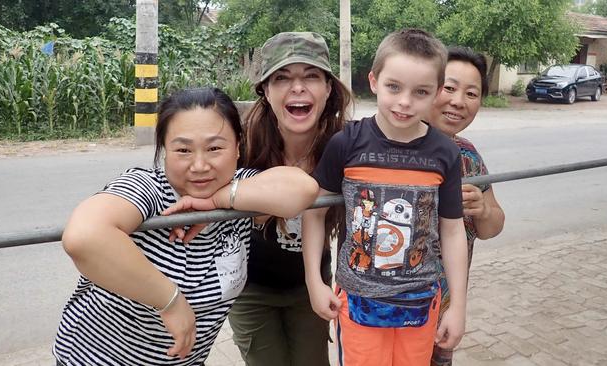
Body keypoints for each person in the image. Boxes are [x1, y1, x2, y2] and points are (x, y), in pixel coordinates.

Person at [52, 87, 319, 365]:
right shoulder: (149, 189)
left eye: (215, 148)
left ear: (238, 146)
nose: (200, 165)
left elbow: (303, 189)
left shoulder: (241, 189)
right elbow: (84, 236)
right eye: (183, 150)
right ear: (164, 151)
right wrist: (169, 301)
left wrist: (217, 201)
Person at [303, 29, 469, 366]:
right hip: (359, 300)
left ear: (437, 93)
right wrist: (313, 281)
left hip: (421, 300)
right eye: (394, 87)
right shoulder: (347, 144)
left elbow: (452, 232)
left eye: (420, 92)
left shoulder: (444, 152)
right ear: (375, 81)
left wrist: (459, 308)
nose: (405, 102)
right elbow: (313, 213)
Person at [227, 31, 351, 366]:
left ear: (328, 89)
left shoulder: (346, 147)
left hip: (310, 286)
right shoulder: (240, 145)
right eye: (281, 78)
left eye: (311, 75)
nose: (297, 87)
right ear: (266, 92)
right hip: (250, 290)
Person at [428, 46, 505, 366]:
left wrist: (482, 210)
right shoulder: (391, 148)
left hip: (445, 309)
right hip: (391, 311)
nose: (459, 101)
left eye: (471, 93)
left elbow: (492, 227)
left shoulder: (468, 155)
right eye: (449, 87)